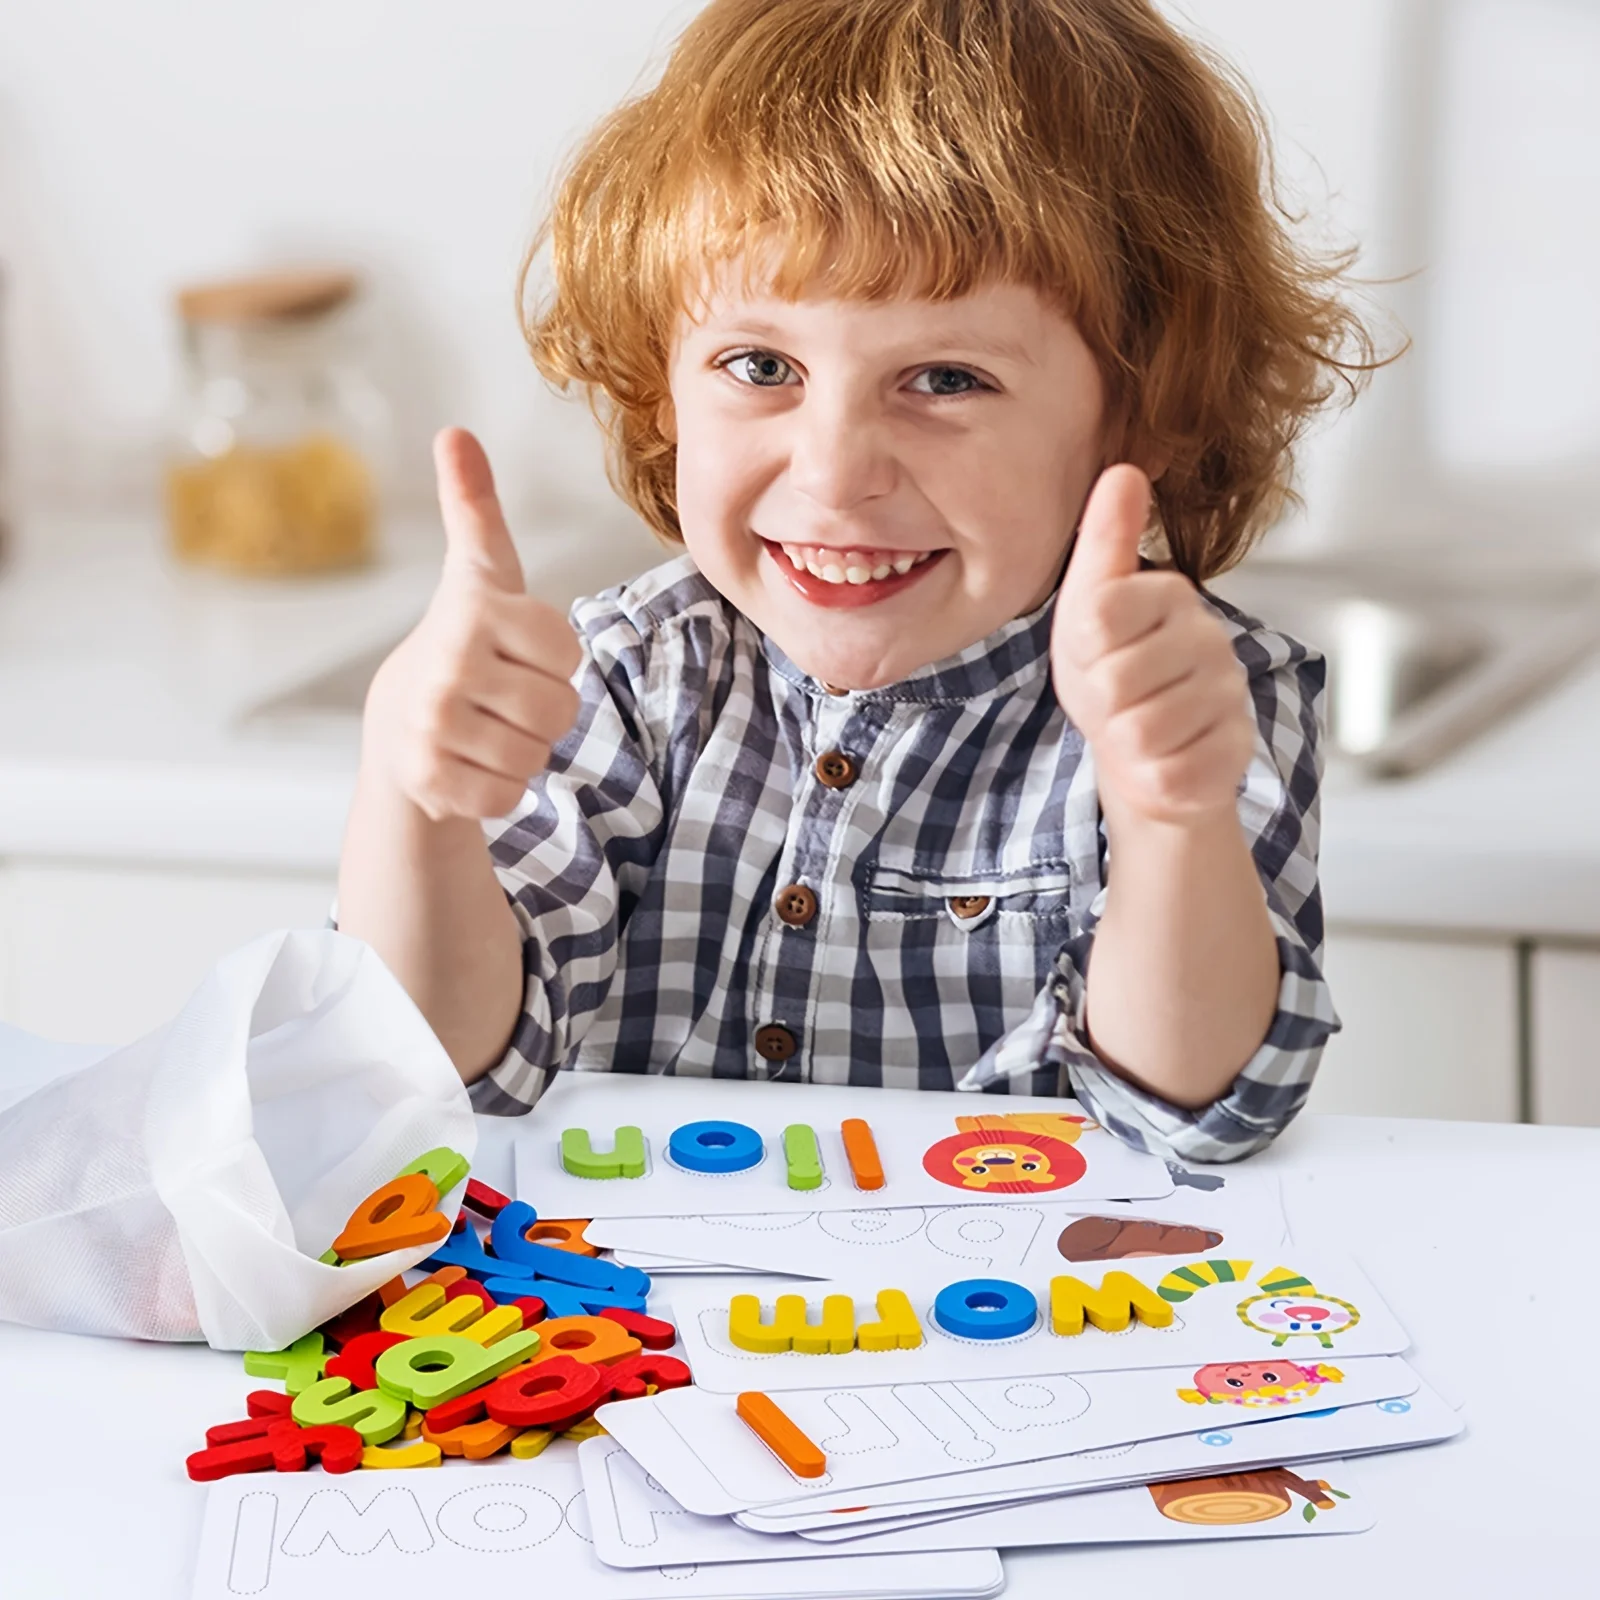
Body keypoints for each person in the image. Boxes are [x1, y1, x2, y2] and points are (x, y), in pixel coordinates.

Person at [337, 0, 1378, 1161]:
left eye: (944, 379)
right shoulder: (632, 676)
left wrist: (1169, 821)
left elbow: (1192, 1110)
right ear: (659, 385)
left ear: (1140, 412)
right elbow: (436, 1071)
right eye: (760, 365)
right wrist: (413, 802)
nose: (832, 474)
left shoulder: (1194, 698)